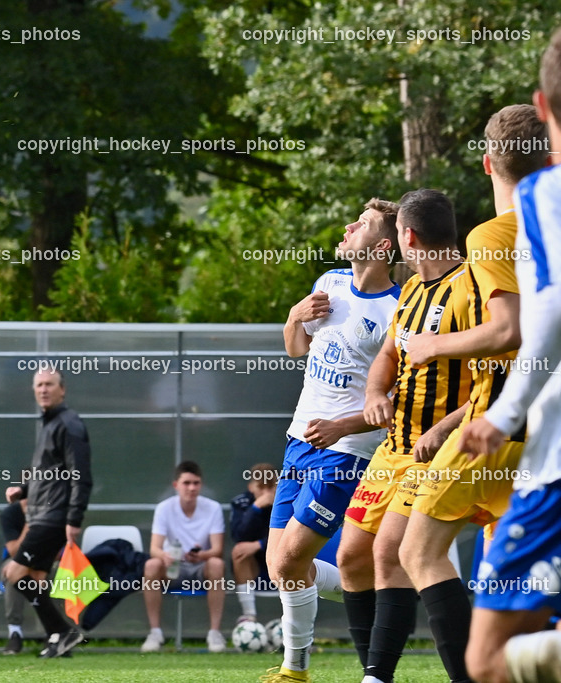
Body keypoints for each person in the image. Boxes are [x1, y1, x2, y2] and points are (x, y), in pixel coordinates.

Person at [397, 104, 548, 683]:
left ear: (486, 163)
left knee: (418, 551)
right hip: (538, 429)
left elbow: (508, 330)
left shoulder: (492, 235)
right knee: (514, 575)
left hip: (502, 426)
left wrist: (435, 347)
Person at [261, 199, 402, 683]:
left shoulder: (397, 309)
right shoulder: (329, 283)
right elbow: (298, 349)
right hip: (299, 439)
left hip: (345, 451)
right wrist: (292, 318)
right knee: (277, 565)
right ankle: (378, 583)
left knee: (289, 560)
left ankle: (293, 669)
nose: (348, 226)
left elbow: (395, 402)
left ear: (383, 246)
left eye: (360, 224)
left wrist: (343, 426)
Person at [339, 189, 474, 683]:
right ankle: (374, 672)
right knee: (352, 555)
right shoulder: (412, 289)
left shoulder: (470, 289)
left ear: (408, 236)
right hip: (393, 447)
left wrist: (443, 429)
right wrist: (376, 393)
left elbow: (494, 380)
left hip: (435, 451)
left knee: (394, 552)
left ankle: (383, 676)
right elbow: (388, 357)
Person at [459, 27, 561, 683]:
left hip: (552, 460)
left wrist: (503, 412)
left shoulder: (542, 198)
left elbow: (542, 315)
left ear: (544, 104)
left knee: (490, 658)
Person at [2, 368, 93, 658]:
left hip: (52, 517)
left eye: (49, 385)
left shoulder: (70, 423)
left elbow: (81, 475)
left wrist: (73, 519)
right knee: (36, 577)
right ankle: (58, 638)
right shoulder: (49, 424)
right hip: (42, 513)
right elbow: (48, 473)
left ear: (62, 390)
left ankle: (63, 632)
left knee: (13, 574)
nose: (43, 389)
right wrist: (23, 491)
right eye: (39, 385)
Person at [140, 460, 227, 654]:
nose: (192, 488)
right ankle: (155, 633)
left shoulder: (213, 508)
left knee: (216, 564)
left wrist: (201, 555)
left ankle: (214, 633)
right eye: (187, 483)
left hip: (200, 568)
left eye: (196, 483)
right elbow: (154, 548)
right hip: (172, 569)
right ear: (176, 485)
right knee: (152, 564)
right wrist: (165, 555)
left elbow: (218, 549)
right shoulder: (164, 508)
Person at [230, 462, 279, 623]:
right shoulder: (241, 502)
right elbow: (239, 535)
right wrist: (256, 508)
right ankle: (249, 615)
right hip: (254, 566)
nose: (266, 493)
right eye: (261, 487)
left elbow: (291, 536)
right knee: (238, 552)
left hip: (279, 561)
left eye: (270, 487)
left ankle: (292, 620)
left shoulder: (286, 502)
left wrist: (259, 544)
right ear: (251, 486)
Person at [0, 499, 29, 655]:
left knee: (57, 571)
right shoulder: (10, 514)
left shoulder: (54, 511)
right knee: (13, 571)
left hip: (47, 560)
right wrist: (29, 523)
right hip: (18, 559)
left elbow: (60, 551)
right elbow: (13, 551)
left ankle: (54, 633)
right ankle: (14, 632)